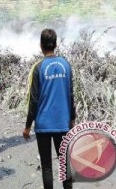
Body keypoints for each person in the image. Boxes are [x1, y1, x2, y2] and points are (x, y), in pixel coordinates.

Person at [23, 29, 75, 189]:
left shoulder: (38, 68)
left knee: (46, 167)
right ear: (56, 44)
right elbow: (70, 94)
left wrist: (27, 126)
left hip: (43, 125)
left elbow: (34, 100)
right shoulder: (66, 65)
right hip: (62, 123)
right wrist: (72, 118)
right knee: (65, 164)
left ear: (41, 46)